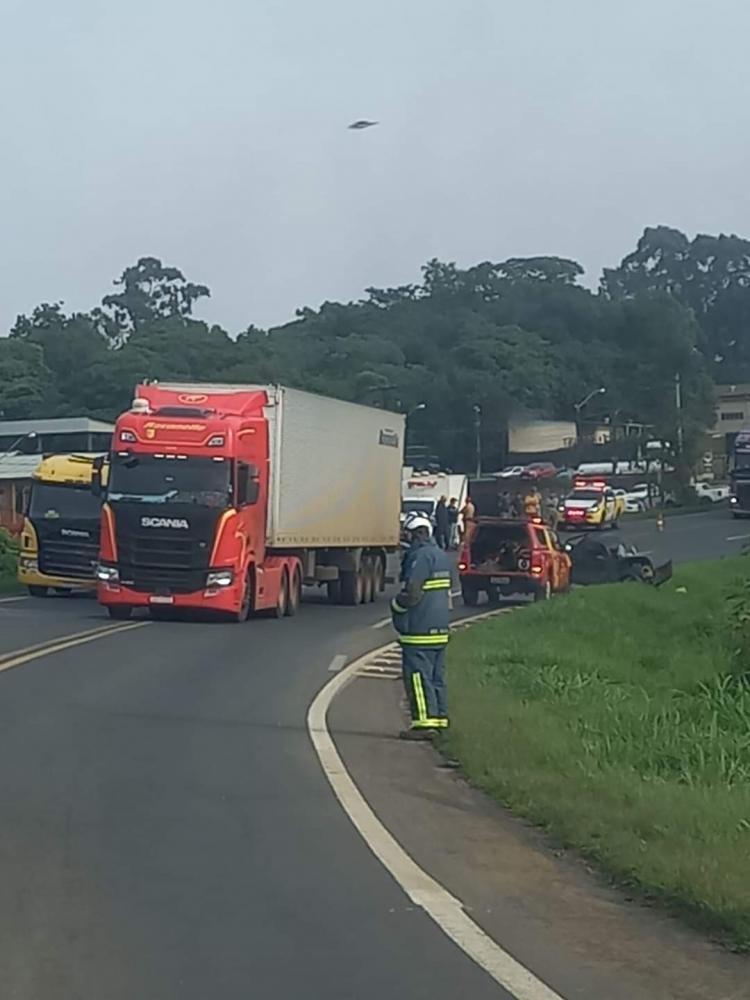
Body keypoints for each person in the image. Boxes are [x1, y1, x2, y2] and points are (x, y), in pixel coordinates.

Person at [391, 514, 452, 740]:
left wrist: (396, 606)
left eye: (408, 534)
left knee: (418, 677)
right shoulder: (441, 556)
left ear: (416, 534)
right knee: (436, 677)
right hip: (440, 628)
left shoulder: (420, 558)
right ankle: (439, 719)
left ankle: (424, 724)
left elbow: (412, 593)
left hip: (419, 629)